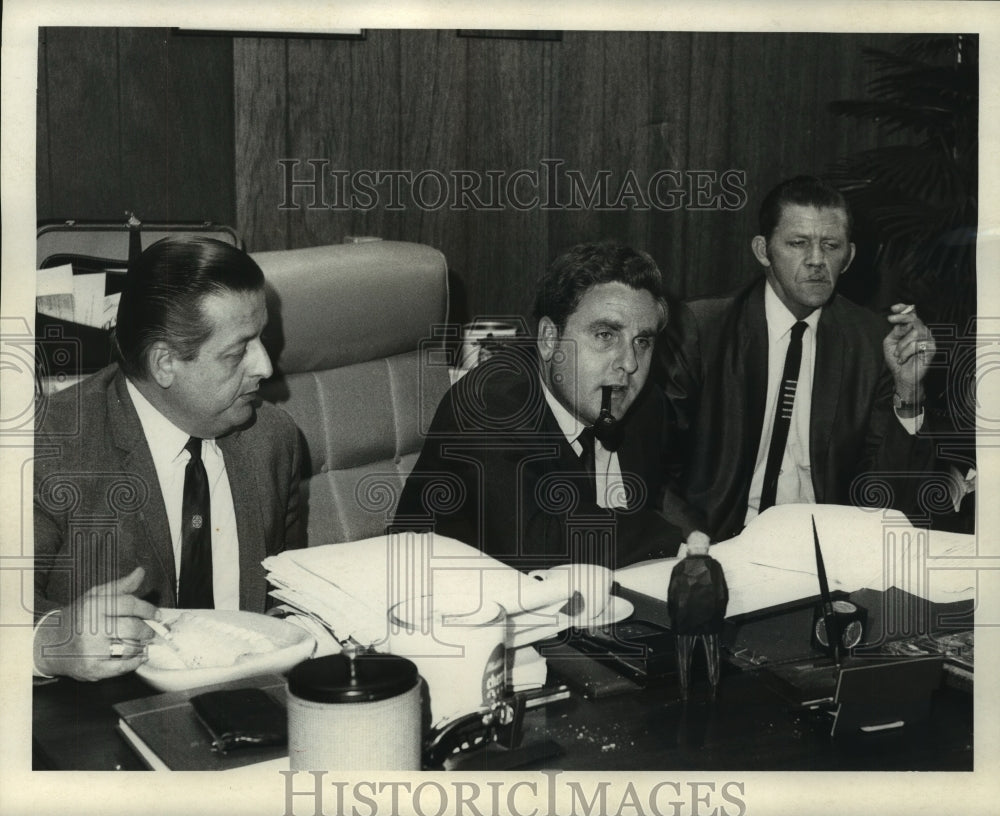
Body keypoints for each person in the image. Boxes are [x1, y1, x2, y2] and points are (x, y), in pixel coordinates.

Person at [33, 237, 302, 681]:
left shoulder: (273, 439)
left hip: (250, 704)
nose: (266, 367)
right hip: (98, 719)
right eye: (238, 351)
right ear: (164, 363)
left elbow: (284, 595)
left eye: (263, 339)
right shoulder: (50, 446)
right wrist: (49, 641)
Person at [659, 175, 937, 542]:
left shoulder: (872, 341)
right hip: (717, 543)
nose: (817, 261)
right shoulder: (701, 329)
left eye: (831, 245)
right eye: (798, 243)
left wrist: (908, 390)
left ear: (849, 257)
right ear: (763, 250)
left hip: (826, 549)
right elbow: (654, 467)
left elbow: (887, 497)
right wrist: (694, 543)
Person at [392, 241, 688, 572]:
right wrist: (675, 540)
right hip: (439, 603)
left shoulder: (646, 406)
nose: (630, 363)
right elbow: (539, 547)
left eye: (642, 341)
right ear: (549, 339)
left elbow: (651, 505)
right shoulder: (488, 405)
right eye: (605, 335)